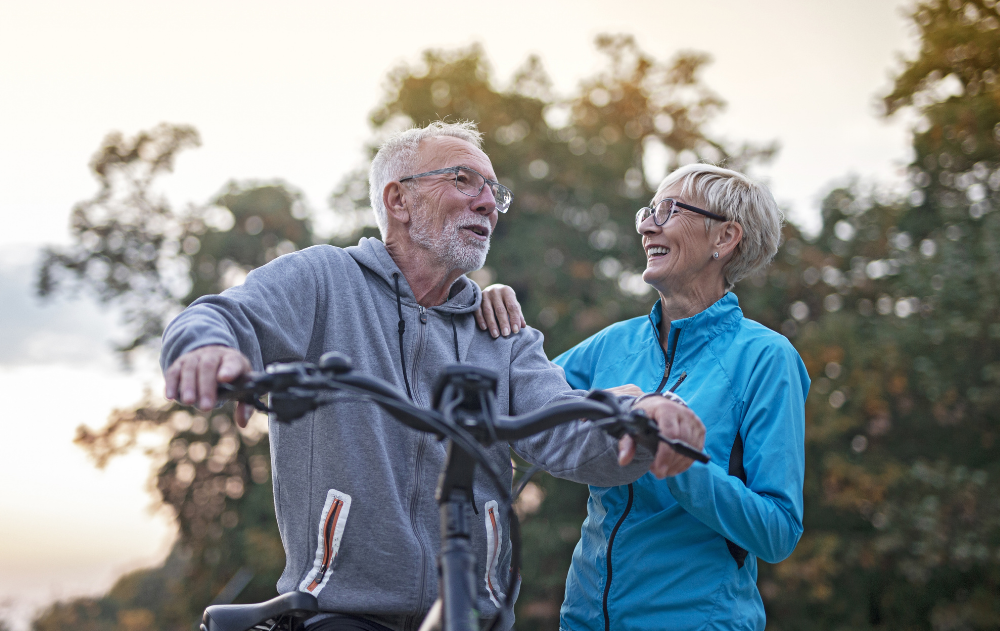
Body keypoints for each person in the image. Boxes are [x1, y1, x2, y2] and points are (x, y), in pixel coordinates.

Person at [160, 121, 706, 631]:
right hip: (342, 612)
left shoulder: (502, 332)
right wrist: (208, 349)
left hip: (474, 613)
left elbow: (566, 432)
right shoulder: (324, 279)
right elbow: (222, 316)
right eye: (463, 180)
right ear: (398, 200)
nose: (488, 202)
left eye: (494, 190)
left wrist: (640, 417)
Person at [478, 164, 809, 630]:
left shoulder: (766, 358)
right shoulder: (613, 344)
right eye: (648, 210)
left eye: (669, 210)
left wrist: (684, 466)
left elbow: (777, 532)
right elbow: (517, 401)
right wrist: (489, 309)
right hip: (583, 620)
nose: (647, 224)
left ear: (725, 238)